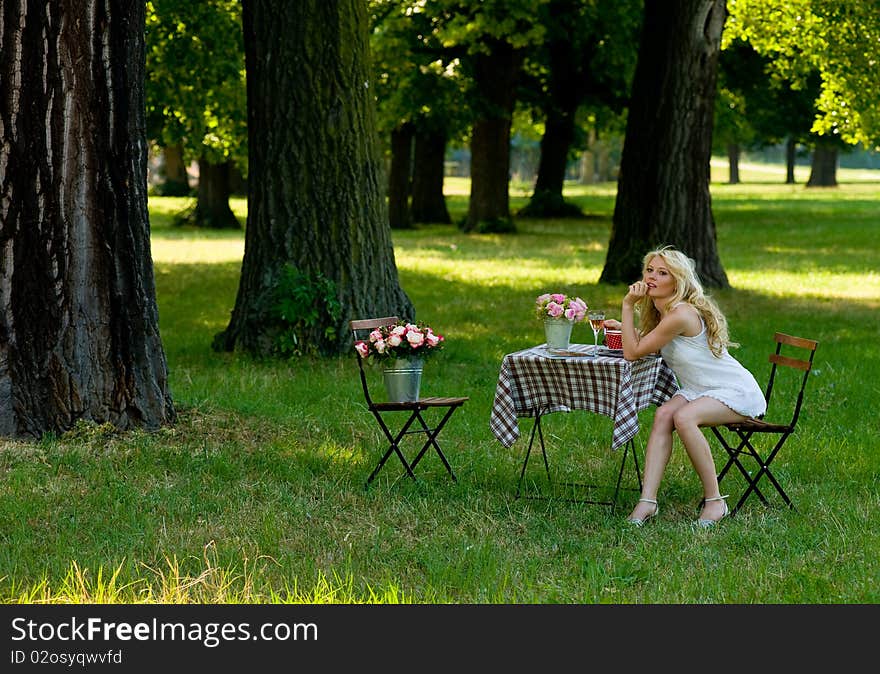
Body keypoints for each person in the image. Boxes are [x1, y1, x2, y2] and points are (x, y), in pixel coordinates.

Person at [603, 245, 766, 527]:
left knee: (684, 417)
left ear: (677, 281)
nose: (652, 277)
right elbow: (651, 342)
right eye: (649, 270)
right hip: (700, 390)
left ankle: (715, 502)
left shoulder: (681, 313)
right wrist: (626, 327)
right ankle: (647, 502)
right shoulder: (662, 311)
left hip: (735, 391)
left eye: (662, 273)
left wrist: (628, 306)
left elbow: (632, 353)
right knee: (664, 414)